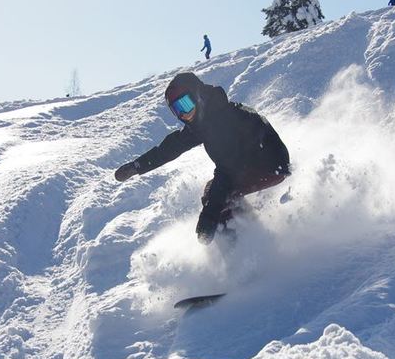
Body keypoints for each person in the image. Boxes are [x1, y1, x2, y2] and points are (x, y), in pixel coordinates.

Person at [114, 72, 290, 244]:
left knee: (219, 198)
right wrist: (137, 166)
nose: (184, 114)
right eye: (177, 110)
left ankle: (240, 246)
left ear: (198, 96)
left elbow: (227, 171)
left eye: (186, 104)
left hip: (270, 164)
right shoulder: (204, 119)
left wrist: (209, 217)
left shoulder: (222, 120)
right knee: (215, 193)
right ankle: (250, 229)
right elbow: (170, 147)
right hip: (256, 163)